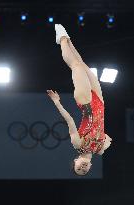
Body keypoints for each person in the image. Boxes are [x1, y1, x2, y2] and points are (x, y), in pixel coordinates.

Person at [47, 24, 112, 176]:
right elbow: (107, 137)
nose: (82, 168)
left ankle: (62, 39)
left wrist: (57, 102)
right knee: (82, 64)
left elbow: (69, 120)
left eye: (78, 168)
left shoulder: (77, 144)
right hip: (100, 103)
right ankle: (67, 39)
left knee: (75, 65)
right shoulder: (101, 150)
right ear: (90, 166)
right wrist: (100, 138)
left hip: (86, 103)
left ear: (76, 161)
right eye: (85, 170)